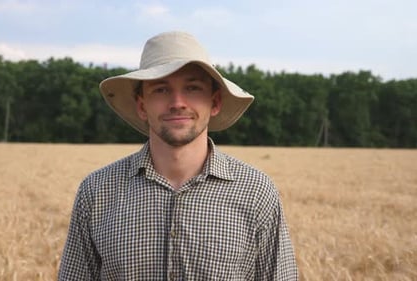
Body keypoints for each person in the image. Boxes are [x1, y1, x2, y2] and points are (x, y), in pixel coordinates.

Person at [58, 31, 298, 280]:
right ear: (142, 106)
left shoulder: (256, 191)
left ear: (214, 102)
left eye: (193, 88)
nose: (177, 102)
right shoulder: (97, 191)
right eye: (161, 89)